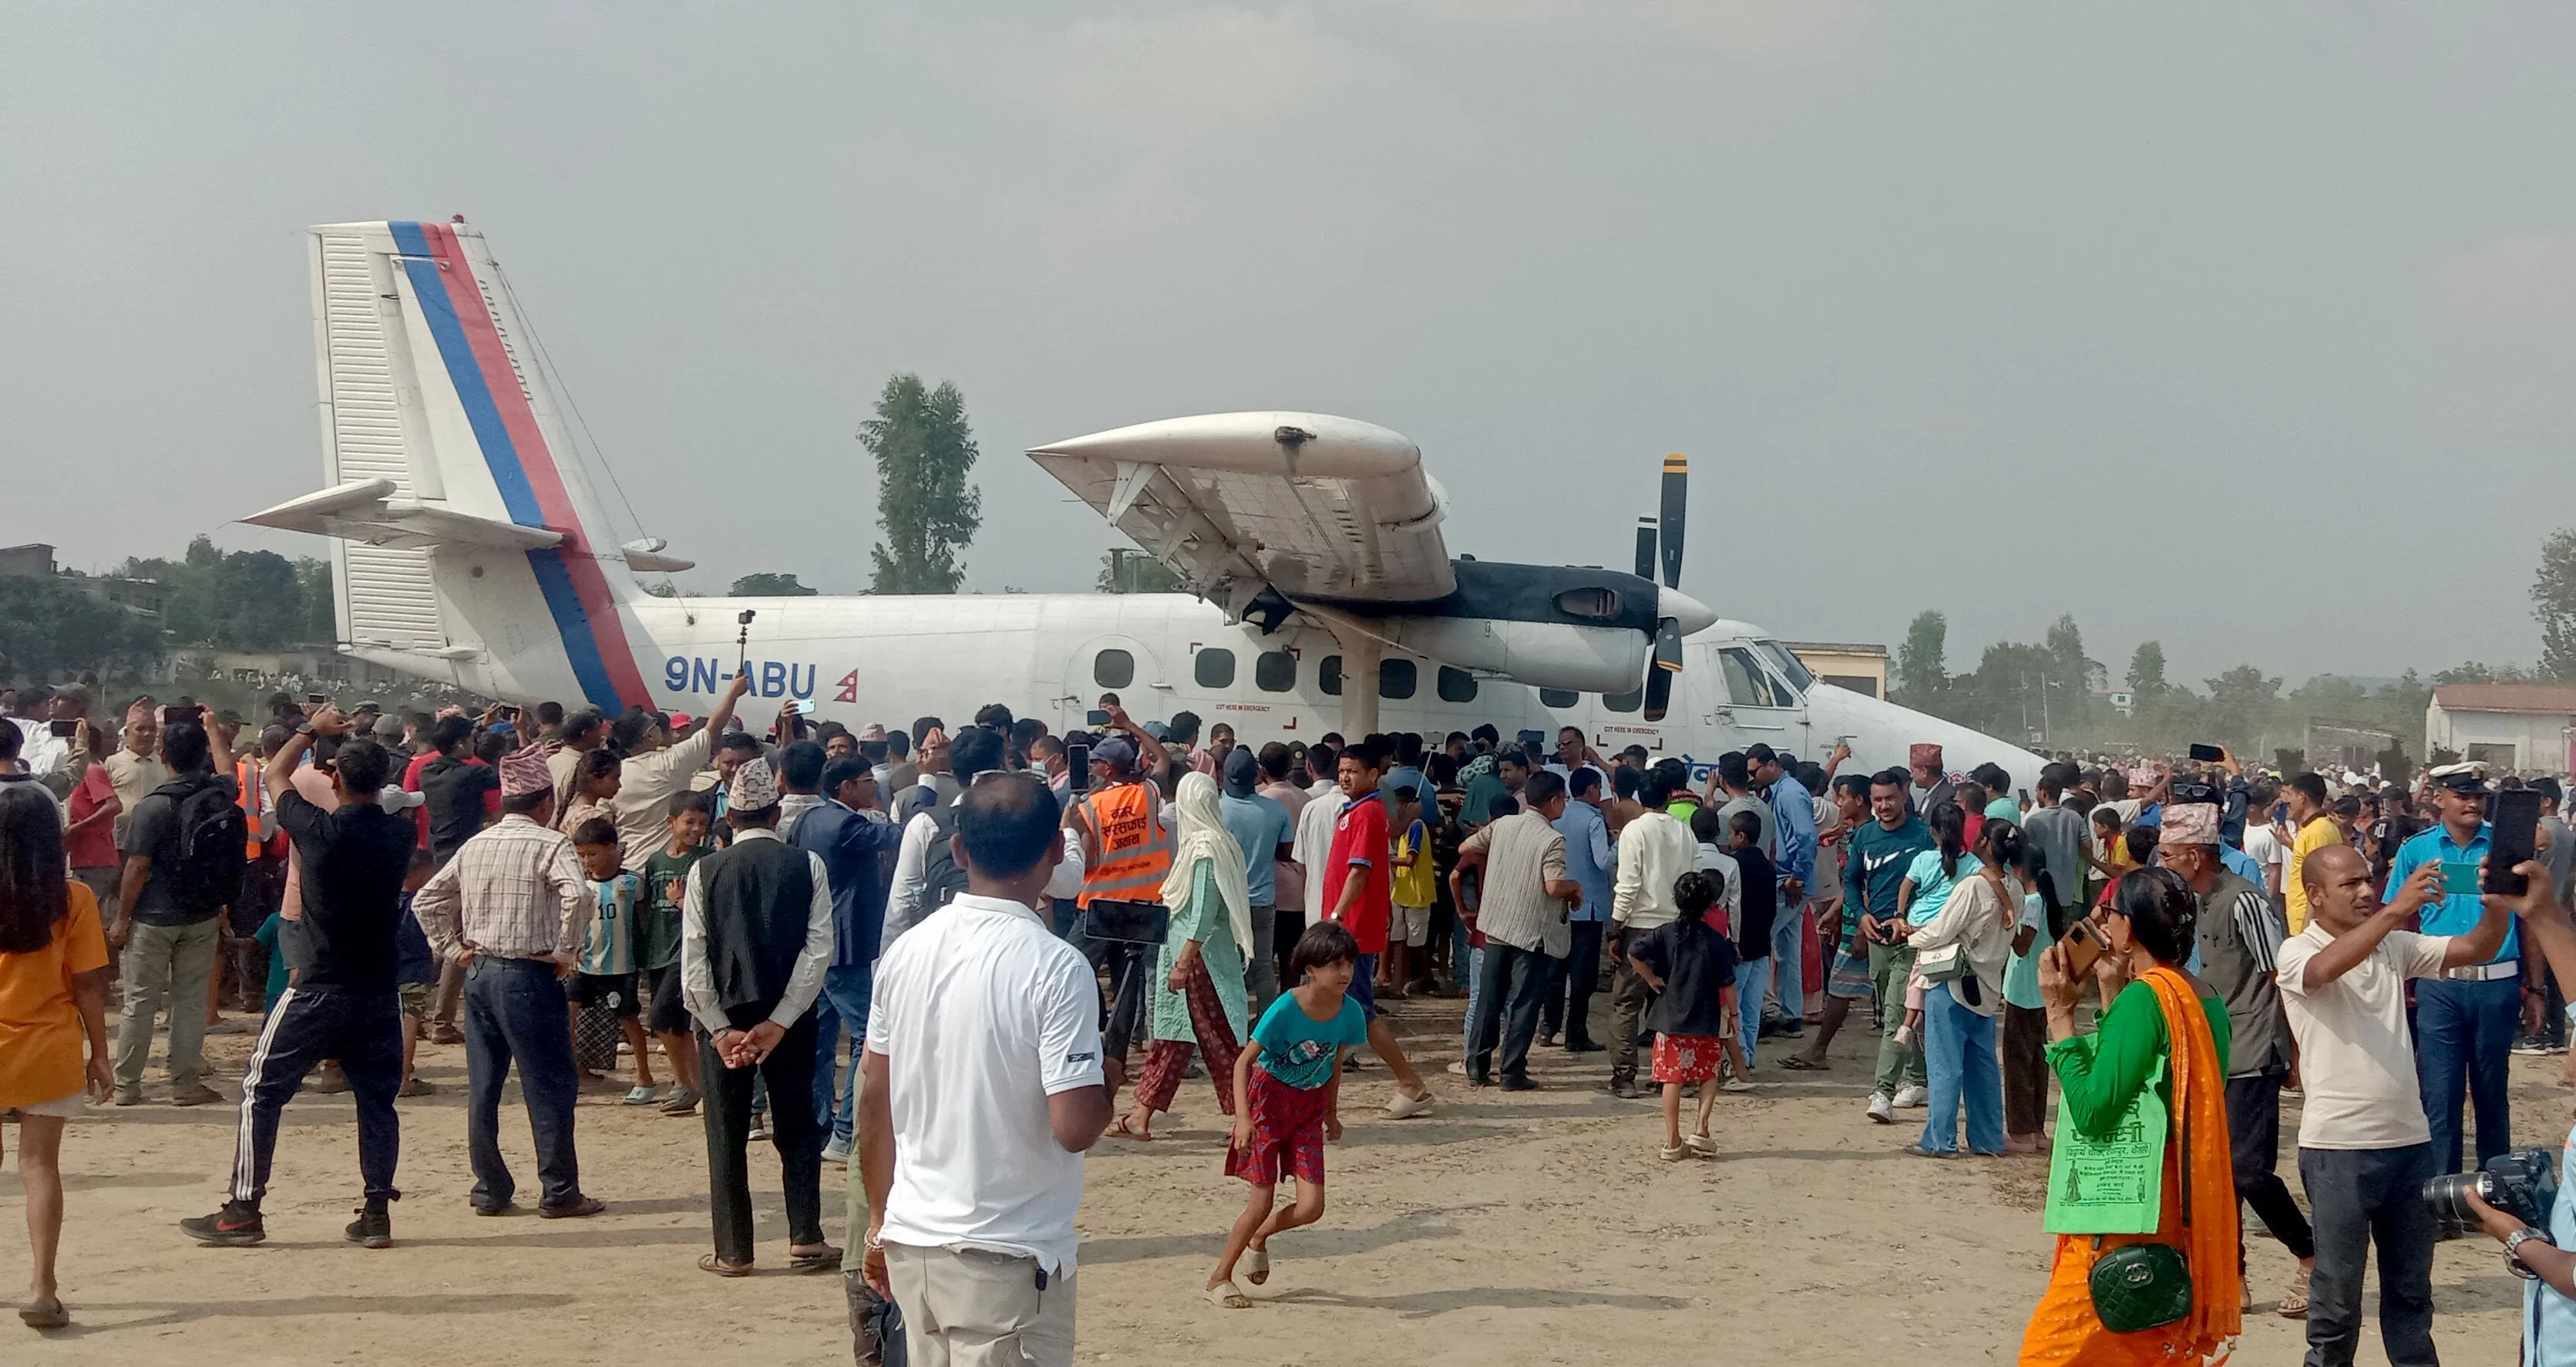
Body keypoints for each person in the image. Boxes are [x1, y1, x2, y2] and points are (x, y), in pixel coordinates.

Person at [859, 773, 1112, 1365]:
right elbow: (1074, 1124)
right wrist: (1108, 1084)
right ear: (1055, 851)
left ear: (959, 850)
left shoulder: (906, 952)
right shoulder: (1056, 966)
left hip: (914, 1240)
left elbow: (875, 1096)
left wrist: (880, 1221)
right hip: (1007, 1254)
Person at [2275, 842, 2510, 1366]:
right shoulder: (2296, 950)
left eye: (2369, 879)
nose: (2366, 890)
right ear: (2314, 895)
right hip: (2338, 1148)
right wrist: (2393, 911)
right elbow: (2321, 971)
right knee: (2336, 1300)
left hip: (2409, 1144)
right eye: (2350, 884)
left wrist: (2497, 901)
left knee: (2411, 1295)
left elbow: (2478, 947)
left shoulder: (2392, 944)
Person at [183, 709, 412, 1250]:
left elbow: (272, 774)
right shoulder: (398, 836)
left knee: (261, 1089)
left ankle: (244, 1207)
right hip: (378, 986)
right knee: (377, 1101)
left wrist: (311, 728)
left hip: (319, 982)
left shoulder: (321, 830)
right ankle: (376, 1210)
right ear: (382, 782)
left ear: (334, 778)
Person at [2019, 867, 2240, 1365]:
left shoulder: (2148, 998)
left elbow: (2096, 1110)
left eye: (2109, 913)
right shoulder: (2202, 995)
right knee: (2144, 1345)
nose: (2102, 922)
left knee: (2053, 1351)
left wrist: (2058, 1016)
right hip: (2176, 1196)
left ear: (2127, 928)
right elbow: (2150, 1082)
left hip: (2129, 1205)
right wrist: (2111, 994)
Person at [409, 748, 604, 1217]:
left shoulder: (476, 843)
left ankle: (490, 1189)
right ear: (543, 804)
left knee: (485, 1086)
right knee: (549, 1084)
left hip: (480, 973)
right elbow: (578, 895)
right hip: (528, 975)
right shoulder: (551, 843)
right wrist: (565, 952)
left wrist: (454, 950)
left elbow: (426, 900)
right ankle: (559, 1191)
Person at [680, 756, 838, 1276]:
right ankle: (805, 1236)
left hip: (724, 1017)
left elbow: (694, 958)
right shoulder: (806, 864)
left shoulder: (705, 869)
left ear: (730, 819)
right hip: (787, 1019)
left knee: (725, 1131)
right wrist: (782, 1019)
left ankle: (733, 1249)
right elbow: (818, 952)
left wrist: (720, 1029)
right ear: (776, 814)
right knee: (796, 1123)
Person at [2158, 800, 2313, 1317]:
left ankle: (2310, 1251)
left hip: (2253, 1048)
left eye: (2170, 854)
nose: (2164, 863)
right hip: (2214, 1049)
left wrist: (2293, 1050)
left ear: (2197, 856)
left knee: (2247, 1170)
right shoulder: (2190, 902)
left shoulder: (2244, 902)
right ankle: (2233, 1274)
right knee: (2213, 1172)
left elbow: (2281, 978)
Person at [1206, 921, 1370, 1308]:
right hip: (1268, 1105)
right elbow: (1244, 1062)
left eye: (1349, 964)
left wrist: (1331, 1111)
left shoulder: (1351, 1012)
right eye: (1335, 965)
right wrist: (1243, 1118)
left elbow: (1335, 1062)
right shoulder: (1285, 1008)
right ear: (1311, 968)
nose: (1345, 973)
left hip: (1308, 1111)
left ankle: (1260, 1237)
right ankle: (1219, 1279)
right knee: (1260, 1200)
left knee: (1312, 1207)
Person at [0, 783, 113, 1329]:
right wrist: (101, 1053)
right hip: (47, 1041)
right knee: (39, 1167)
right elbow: (89, 985)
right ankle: (43, 1288)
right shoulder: (73, 899)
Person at [2388, 763, 2521, 1177]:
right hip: (2439, 986)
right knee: (2440, 1096)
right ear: (2439, 798)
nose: (2471, 802)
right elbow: (2394, 916)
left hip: (2496, 984)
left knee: (2491, 1094)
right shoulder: (2416, 850)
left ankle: (2497, 1190)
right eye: (2462, 794)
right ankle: (2441, 1198)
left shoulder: (2508, 848)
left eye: (2478, 795)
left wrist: (2534, 988)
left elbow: (2529, 919)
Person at [1115, 771, 1254, 1140]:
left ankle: (1253, 1114)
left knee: (1220, 1040)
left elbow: (1204, 913)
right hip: (1193, 957)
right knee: (1173, 1039)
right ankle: (1141, 1116)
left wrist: (1183, 963)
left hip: (1197, 962)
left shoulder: (1205, 850)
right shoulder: (1221, 844)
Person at [109, 710, 237, 1107]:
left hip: (153, 915)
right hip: (201, 913)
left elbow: (138, 867)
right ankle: (184, 1082)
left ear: (165, 756)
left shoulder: (152, 807)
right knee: (190, 1001)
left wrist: (121, 918)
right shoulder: (219, 794)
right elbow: (228, 769)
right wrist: (214, 729)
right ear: (202, 756)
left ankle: (127, 1085)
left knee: (141, 1002)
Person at [794, 753, 908, 1164]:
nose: (873, 788)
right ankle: (845, 1134)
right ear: (846, 787)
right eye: (866, 781)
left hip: (820, 941)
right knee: (868, 1034)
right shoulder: (848, 825)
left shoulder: (810, 819)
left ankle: (818, 1124)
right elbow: (901, 837)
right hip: (848, 946)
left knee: (821, 1038)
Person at [1320, 742, 1437, 1116]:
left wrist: (1336, 917)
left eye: (1352, 770)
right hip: (1346, 928)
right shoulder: (1354, 811)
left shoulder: (1369, 814)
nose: (1344, 776)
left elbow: (1360, 871)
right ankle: (1326, 1096)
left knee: (1359, 1013)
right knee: (1342, 1013)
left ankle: (1410, 1083)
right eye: (1341, 770)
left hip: (1352, 930)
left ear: (1374, 775)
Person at [1452, 770, 1579, 1089]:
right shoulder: (1552, 840)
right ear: (1553, 801)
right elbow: (1553, 886)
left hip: (1496, 927)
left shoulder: (1502, 825)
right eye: (1563, 798)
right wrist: (1575, 888)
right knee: (1523, 1003)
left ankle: (1477, 1068)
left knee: (1488, 1001)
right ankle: (1512, 1072)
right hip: (1531, 934)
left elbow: (1465, 847)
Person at [1903, 816, 2019, 1159]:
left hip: (1951, 983)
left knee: (1945, 1065)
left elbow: (1941, 931)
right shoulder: (2014, 890)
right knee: (1982, 1066)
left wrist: (1910, 934)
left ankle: (1940, 1141)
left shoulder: (1973, 887)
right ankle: (1987, 1139)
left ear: (1983, 842)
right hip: (1987, 986)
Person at [1831, 771, 1935, 1118]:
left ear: (1904, 796)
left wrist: (1912, 921)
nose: (1884, 806)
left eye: (1890, 798)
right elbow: (1852, 880)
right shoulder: (1864, 836)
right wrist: (1861, 916)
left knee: (1895, 1014)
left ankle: (1882, 1093)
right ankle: (1918, 1079)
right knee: (1905, 1013)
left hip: (1913, 939)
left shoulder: (1923, 837)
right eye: (1877, 800)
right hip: (1878, 939)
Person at [1626, 869, 1737, 1160]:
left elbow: (1634, 951)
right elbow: (1728, 983)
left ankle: (1672, 1140)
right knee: (1708, 1074)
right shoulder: (1716, 940)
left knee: (1671, 1078)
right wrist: (1734, 1015)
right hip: (1705, 1016)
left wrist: (1651, 978)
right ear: (1709, 902)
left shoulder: (1665, 933)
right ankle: (1701, 1129)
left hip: (1670, 1017)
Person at [1606, 770, 1697, 1099]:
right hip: (1678, 925)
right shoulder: (1686, 833)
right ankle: (1670, 1074)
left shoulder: (1635, 830)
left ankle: (1624, 1076)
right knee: (1671, 1004)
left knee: (1626, 1003)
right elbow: (1693, 880)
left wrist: (1614, 929)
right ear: (1671, 797)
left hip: (1641, 927)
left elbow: (1627, 885)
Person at [610, 672, 750, 870]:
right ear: (648, 736)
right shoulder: (670, 762)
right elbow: (714, 728)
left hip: (627, 864)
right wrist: (733, 693)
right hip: (665, 865)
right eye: (654, 725)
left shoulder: (616, 773)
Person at [569, 819, 656, 1102]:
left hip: (619, 968)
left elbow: (645, 918)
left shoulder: (631, 883)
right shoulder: (580, 887)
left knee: (628, 1020)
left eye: (592, 854)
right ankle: (570, 1074)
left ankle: (644, 1076)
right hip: (583, 966)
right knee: (567, 1016)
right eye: (581, 855)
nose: (586, 861)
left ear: (612, 849)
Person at [641, 790, 713, 1117]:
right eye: (689, 822)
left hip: (685, 951)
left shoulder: (705, 860)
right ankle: (695, 1085)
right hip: (658, 949)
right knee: (676, 1026)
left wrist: (682, 903)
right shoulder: (656, 861)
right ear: (671, 822)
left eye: (701, 823)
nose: (696, 829)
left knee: (660, 1016)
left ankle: (684, 1082)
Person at [1218, 748, 1296, 1013]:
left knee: (1228, 965)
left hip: (1226, 901)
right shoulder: (1276, 811)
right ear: (1258, 775)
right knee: (1263, 965)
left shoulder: (1216, 809)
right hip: (1262, 901)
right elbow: (1286, 853)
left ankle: (1233, 1022)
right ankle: (1266, 1024)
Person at [1543, 766, 1614, 1052]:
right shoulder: (1594, 822)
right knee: (1583, 975)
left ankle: (1548, 1028)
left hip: (1560, 902)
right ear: (1593, 788)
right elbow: (1603, 861)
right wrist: (1620, 844)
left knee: (1556, 969)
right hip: (1589, 907)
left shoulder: (1558, 817)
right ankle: (1576, 1032)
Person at [1748, 743, 1814, 1039]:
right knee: (1788, 950)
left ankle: (1770, 1012)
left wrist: (1798, 878)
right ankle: (1790, 1015)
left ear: (1771, 764)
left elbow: (1805, 836)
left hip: (1789, 880)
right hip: (1789, 878)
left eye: (1755, 770)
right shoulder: (1782, 792)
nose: (1752, 777)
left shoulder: (1790, 794)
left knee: (1760, 943)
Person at [2282, 771, 2342, 935]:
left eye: (2290, 795)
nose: (2286, 801)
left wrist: (2307, 929)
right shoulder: (2312, 828)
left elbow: (2319, 882)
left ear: (2302, 797)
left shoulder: (2317, 831)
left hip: (2310, 924)